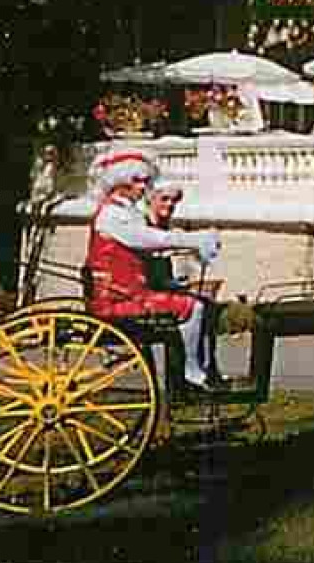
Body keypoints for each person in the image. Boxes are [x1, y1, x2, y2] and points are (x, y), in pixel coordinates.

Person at [84, 150, 222, 388]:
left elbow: (150, 248)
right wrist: (192, 240)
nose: (142, 187)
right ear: (119, 183)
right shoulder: (112, 214)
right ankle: (191, 370)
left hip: (129, 290)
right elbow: (145, 239)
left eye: (145, 181)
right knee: (192, 308)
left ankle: (201, 368)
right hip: (116, 298)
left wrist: (189, 246)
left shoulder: (126, 212)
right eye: (137, 181)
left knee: (197, 302)